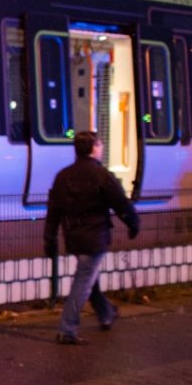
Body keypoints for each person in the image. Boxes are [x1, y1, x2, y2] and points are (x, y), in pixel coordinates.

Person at [44, 131, 140, 345]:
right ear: (93, 148)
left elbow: (54, 211)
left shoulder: (63, 176)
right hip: (95, 237)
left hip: (74, 237)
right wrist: (134, 224)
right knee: (84, 282)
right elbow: (121, 204)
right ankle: (67, 329)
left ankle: (106, 313)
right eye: (100, 145)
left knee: (89, 277)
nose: (102, 148)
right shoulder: (101, 175)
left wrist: (49, 239)